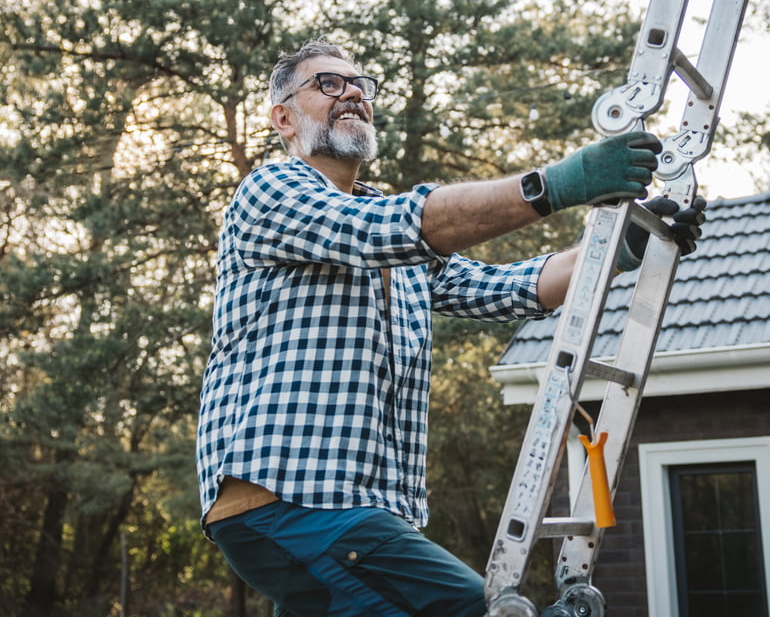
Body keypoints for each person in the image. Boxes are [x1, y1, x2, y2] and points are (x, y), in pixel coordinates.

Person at [196, 39, 706, 617]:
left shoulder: (394, 241)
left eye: (360, 84)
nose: (354, 93)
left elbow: (508, 289)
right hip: (292, 503)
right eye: (328, 84)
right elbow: (390, 226)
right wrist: (558, 184)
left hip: (357, 512)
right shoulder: (271, 193)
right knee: (472, 607)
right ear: (283, 118)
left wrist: (617, 247)